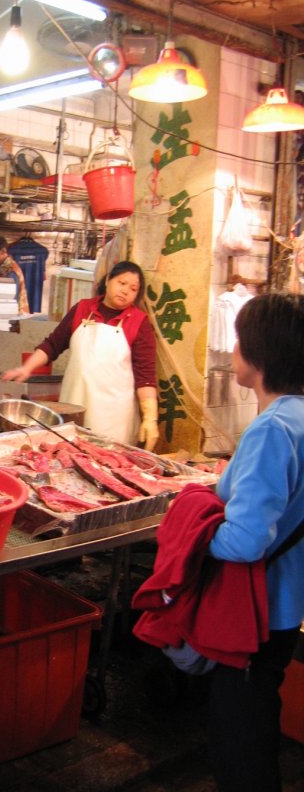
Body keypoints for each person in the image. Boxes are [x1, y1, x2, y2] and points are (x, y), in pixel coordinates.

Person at [205, 293, 304, 792]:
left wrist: (195, 539)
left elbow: (245, 542)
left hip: (256, 612)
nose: (234, 350)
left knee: (241, 733)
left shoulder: (273, 429)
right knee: (260, 708)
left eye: (241, 341)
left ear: (261, 355)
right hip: (289, 605)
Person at [2, 260, 159, 450]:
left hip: (114, 417)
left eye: (133, 289)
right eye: (122, 283)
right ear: (108, 280)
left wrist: (150, 418)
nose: (126, 291)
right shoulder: (83, 309)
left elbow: (146, 377)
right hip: (74, 406)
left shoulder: (139, 322)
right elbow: (52, 345)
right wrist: (27, 368)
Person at [0, 234, 30, 315]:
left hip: (14, 317)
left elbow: (10, 299)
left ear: (3, 251)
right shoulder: (1, 267)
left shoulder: (11, 271)